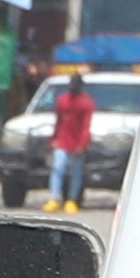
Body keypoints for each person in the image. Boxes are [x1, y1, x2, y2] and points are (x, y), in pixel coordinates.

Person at [46, 70, 96, 211]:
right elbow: (58, 121)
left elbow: (86, 125)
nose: (72, 86)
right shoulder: (62, 100)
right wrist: (53, 139)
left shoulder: (86, 103)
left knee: (76, 172)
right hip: (62, 141)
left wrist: (82, 144)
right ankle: (54, 198)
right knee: (58, 168)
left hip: (77, 143)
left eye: (75, 84)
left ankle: (72, 200)